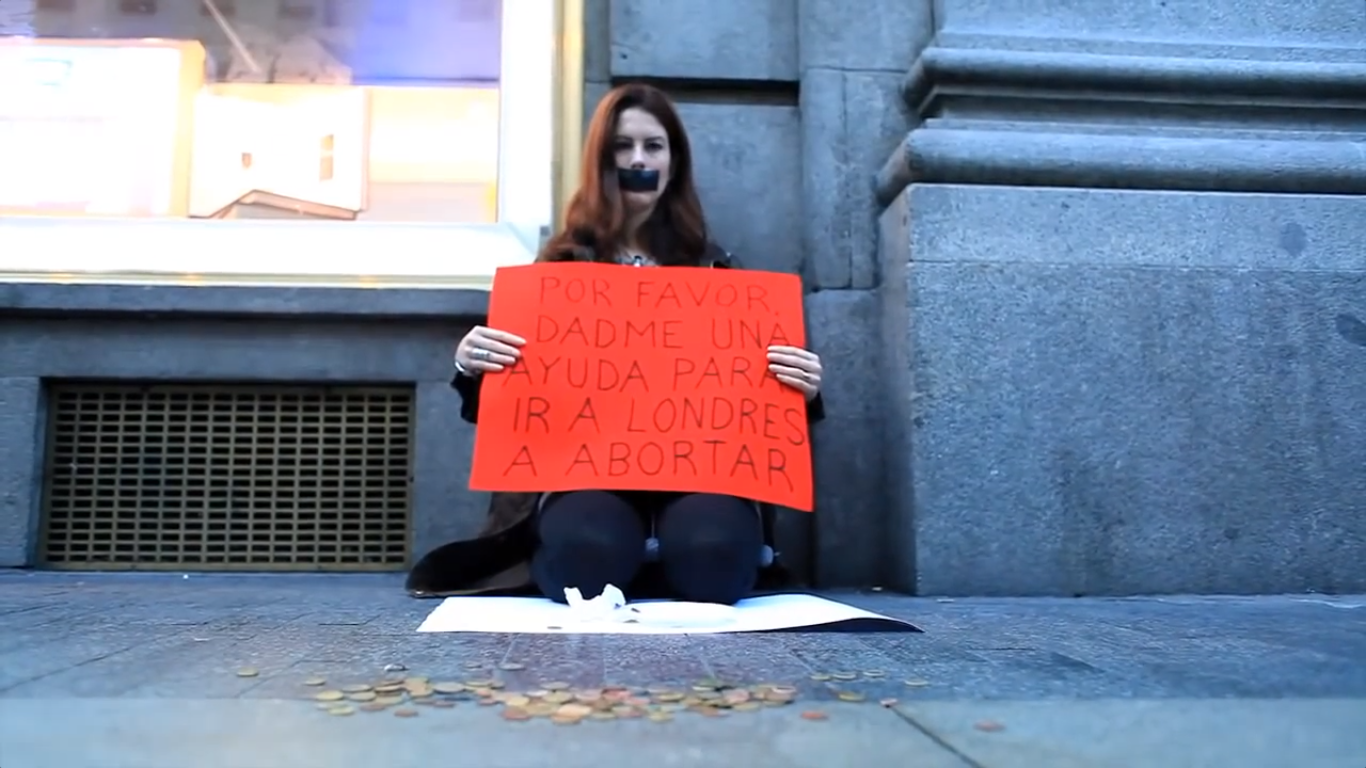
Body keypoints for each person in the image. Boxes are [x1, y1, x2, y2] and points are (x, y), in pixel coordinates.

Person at [404, 83, 826, 605]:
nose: (638, 159)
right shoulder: (558, 269)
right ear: (601, 161)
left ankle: (659, 559)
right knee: (586, 559)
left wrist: (801, 389)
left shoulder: (717, 269)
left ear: (675, 161)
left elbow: (757, 411)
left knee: (715, 562)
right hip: (584, 473)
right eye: (622, 147)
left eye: (653, 146)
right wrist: (471, 365)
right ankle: (618, 558)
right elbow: (510, 405)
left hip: (700, 474)